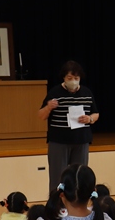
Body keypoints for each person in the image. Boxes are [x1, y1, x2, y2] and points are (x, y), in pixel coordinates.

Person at [38, 61, 99, 190]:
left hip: (81, 140)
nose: (73, 81)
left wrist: (89, 119)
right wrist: (48, 107)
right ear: (64, 78)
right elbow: (41, 115)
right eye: (70, 78)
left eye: (76, 78)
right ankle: (57, 201)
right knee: (57, 177)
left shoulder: (87, 93)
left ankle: (78, 200)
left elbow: (96, 113)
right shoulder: (55, 92)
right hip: (59, 141)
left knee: (80, 176)